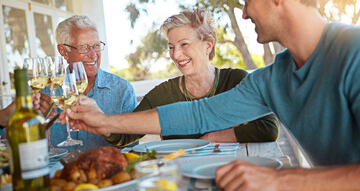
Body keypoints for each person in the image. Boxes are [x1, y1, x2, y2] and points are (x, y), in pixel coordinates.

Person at [62, 0, 360, 189]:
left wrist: (280, 181)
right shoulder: (272, 78)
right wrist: (104, 122)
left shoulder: (354, 52)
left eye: (247, 0)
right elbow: (199, 114)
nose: (243, 13)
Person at [105, 8, 278, 146]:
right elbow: (124, 136)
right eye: (171, 47)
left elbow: (268, 128)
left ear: (207, 46)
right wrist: (100, 121)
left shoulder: (235, 80)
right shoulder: (163, 93)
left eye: (184, 44)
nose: (176, 54)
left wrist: (212, 137)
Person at [39, 15, 137, 151]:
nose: (93, 55)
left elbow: (131, 148)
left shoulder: (123, 90)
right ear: (63, 51)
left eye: (96, 46)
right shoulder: (46, 91)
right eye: (84, 47)